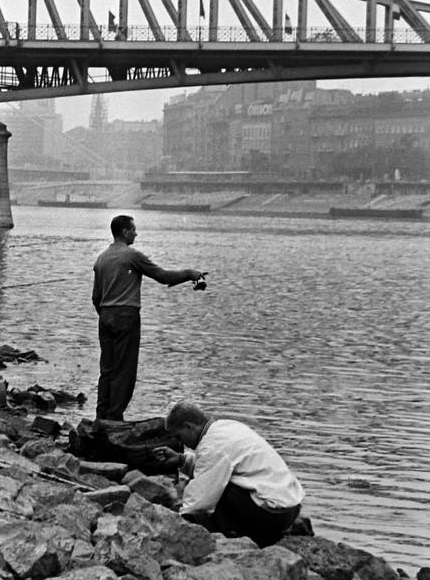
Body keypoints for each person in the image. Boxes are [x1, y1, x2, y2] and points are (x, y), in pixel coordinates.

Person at [92, 215, 205, 421]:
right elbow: (163, 277)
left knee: (107, 369)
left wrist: (107, 316)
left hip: (105, 317)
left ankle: (101, 417)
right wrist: (189, 274)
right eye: (133, 230)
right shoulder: (132, 256)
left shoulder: (101, 258)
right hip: (127, 316)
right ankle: (114, 418)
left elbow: (96, 297)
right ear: (125, 232)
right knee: (124, 370)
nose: (136, 233)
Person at [166, 402, 304, 547]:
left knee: (216, 489)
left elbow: (200, 499)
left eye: (179, 437)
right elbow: (210, 462)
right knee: (219, 477)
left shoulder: (214, 443)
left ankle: (233, 536)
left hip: (272, 515)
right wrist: (181, 460)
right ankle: (248, 532)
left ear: (189, 426)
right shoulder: (226, 427)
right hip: (289, 509)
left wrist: (177, 522)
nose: (182, 443)